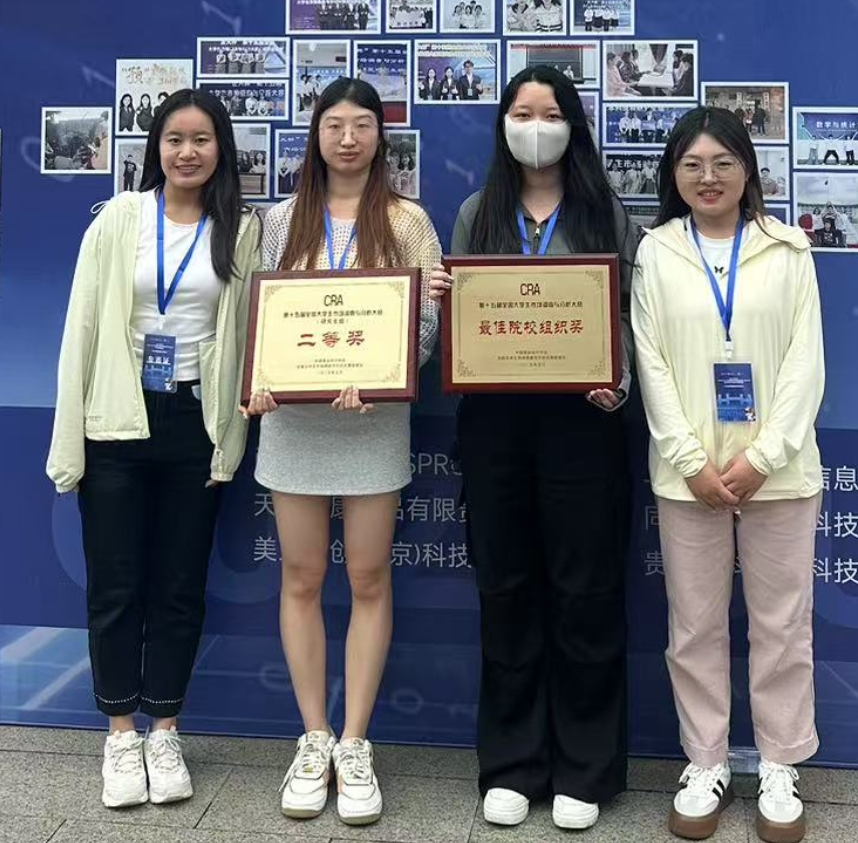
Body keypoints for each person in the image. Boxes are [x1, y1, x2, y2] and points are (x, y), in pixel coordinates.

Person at [427, 67, 638, 832]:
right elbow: (459, 328)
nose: (536, 126)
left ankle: (585, 767)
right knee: (507, 590)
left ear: (573, 126)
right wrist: (447, 305)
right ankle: (513, 764)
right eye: (522, 112)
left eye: (550, 113)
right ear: (503, 125)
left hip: (585, 425)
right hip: (496, 427)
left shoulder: (605, 212)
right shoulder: (477, 212)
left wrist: (617, 382)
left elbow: (629, 318)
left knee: (586, 593)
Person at [47, 89, 261, 810]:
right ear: (156, 149)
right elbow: (81, 328)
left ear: (221, 149)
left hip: (195, 422)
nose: (187, 152)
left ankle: (165, 729)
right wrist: (68, 442)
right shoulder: (118, 218)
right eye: (174, 139)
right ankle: (119, 734)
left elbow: (253, 329)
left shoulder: (242, 229)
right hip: (117, 417)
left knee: (178, 586)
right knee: (115, 586)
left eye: (201, 139)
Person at [246, 78, 442, 829]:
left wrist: (391, 373)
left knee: (367, 576)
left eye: (363, 125)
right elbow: (257, 312)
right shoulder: (278, 220)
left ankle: (356, 742)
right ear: (316, 135)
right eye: (335, 125)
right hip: (293, 426)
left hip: (373, 423)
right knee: (300, 577)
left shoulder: (408, 220)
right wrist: (259, 380)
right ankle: (314, 738)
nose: (349, 138)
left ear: (380, 137)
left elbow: (425, 326)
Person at [631, 107, 823, 843]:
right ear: (673, 176)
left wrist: (763, 457)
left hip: (780, 473)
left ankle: (778, 763)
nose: (707, 178)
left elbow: (806, 364)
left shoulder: (789, 249)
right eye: (692, 165)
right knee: (694, 627)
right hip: (690, 478)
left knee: (782, 625)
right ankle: (706, 761)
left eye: (723, 163)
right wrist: (690, 460)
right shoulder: (655, 253)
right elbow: (650, 362)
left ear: (748, 170)